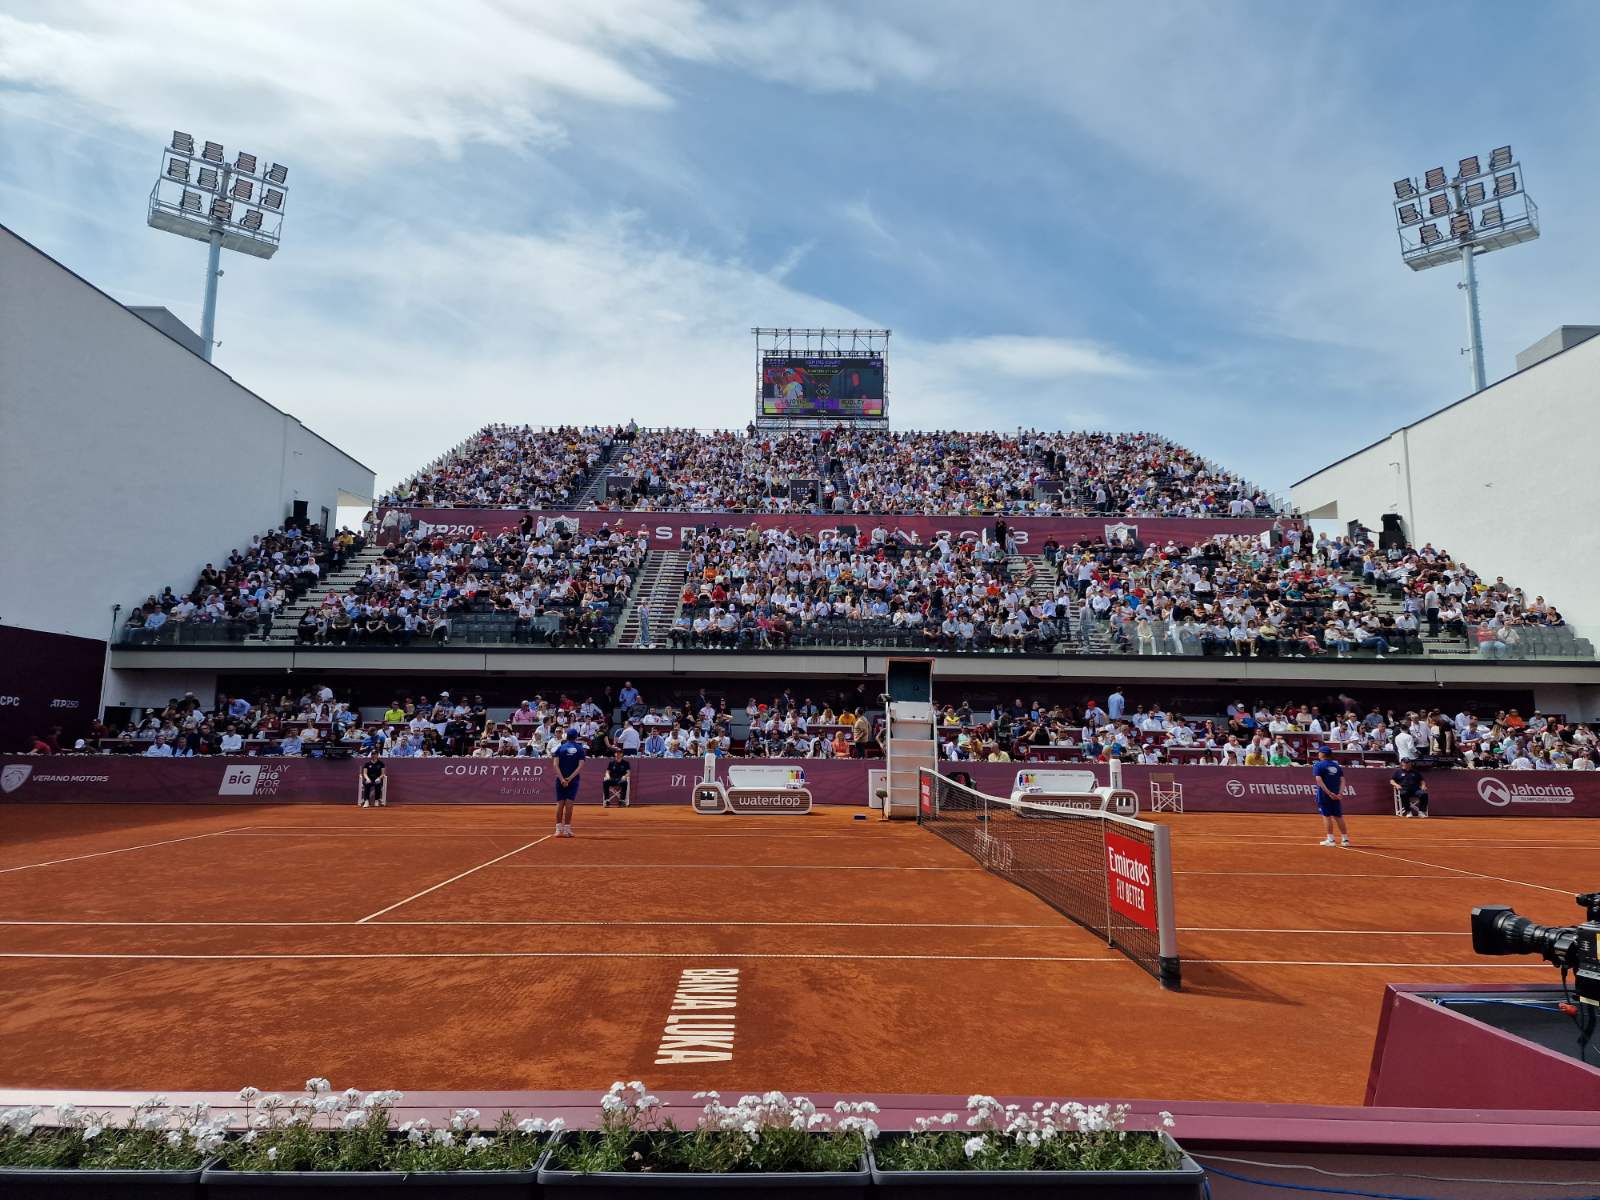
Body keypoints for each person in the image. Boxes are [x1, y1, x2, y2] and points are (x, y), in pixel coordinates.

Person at [1312, 747, 1351, 847]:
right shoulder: (1336, 766)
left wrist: (1329, 793)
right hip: (1336, 795)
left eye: (1319, 753)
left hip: (1324, 795)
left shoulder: (1318, 765)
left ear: (1322, 754)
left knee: (1326, 816)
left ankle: (1330, 840)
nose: (1318, 754)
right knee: (1338, 816)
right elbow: (1343, 780)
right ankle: (1345, 839)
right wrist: (1340, 793)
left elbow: (1319, 781)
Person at [552, 727, 585, 838]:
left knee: (560, 804)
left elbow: (555, 765)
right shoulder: (580, 749)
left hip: (560, 780)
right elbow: (580, 766)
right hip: (573, 780)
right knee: (569, 804)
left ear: (566, 736)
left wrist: (562, 779)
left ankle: (558, 830)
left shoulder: (560, 748)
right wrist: (569, 779)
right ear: (576, 737)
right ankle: (566, 830)